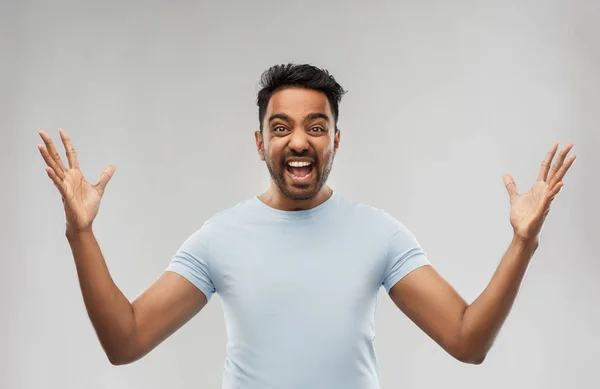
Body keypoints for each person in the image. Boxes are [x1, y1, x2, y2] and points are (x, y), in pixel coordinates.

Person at [37, 63, 576, 389]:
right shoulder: (219, 237)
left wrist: (522, 242)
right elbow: (124, 340)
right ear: (260, 143)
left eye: (317, 127)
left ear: (335, 140)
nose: (299, 141)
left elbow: (467, 341)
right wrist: (80, 233)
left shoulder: (379, 234)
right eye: (281, 127)